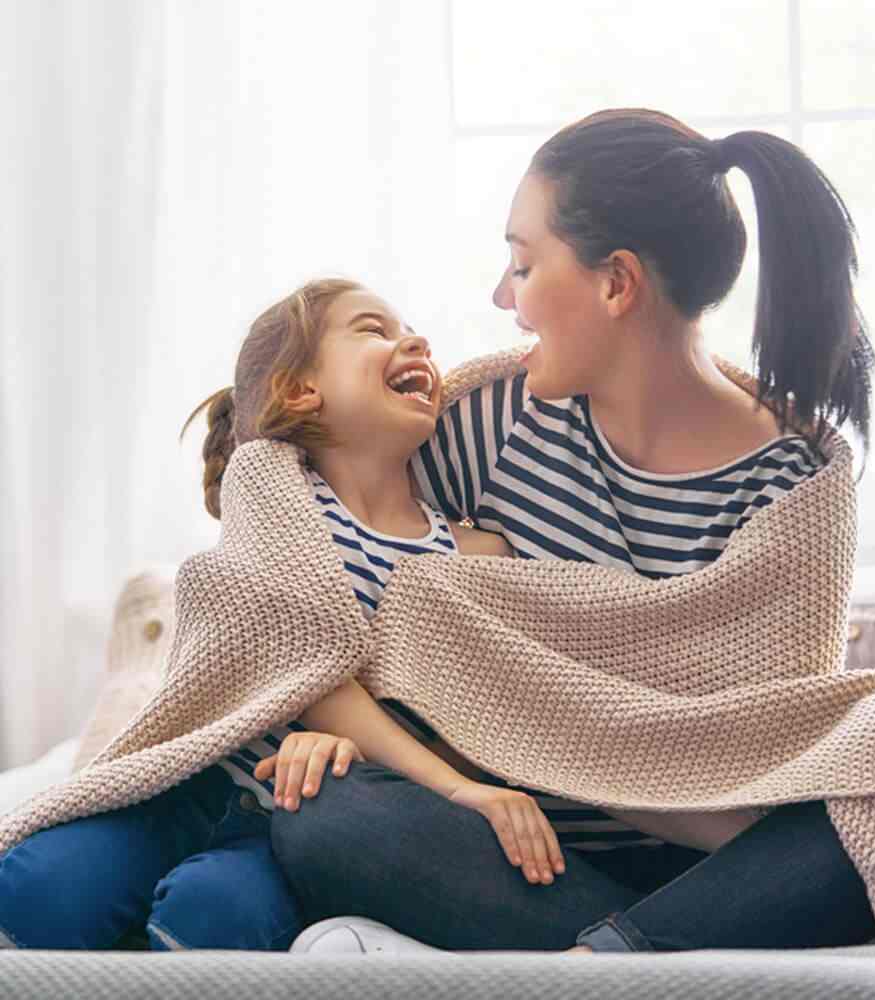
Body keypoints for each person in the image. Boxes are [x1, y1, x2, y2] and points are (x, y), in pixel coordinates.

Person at [264, 107, 875, 955]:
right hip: (518, 857)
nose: (500, 296)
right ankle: (627, 959)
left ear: (615, 283)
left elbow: (770, 756)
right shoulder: (491, 424)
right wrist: (331, 720)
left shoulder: (797, 485)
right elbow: (324, 561)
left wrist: (577, 737)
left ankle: (597, 962)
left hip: (716, 868)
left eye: (523, 264)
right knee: (327, 818)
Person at [0, 276, 559, 952]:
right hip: (191, 789)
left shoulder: (477, 554)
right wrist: (444, 784)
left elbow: (478, 717)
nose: (414, 340)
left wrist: (377, 767)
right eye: (373, 329)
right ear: (301, 392)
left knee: (211, 916)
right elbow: (298, 655)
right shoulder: (269, 484)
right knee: (36, 887)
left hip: (290, 827)